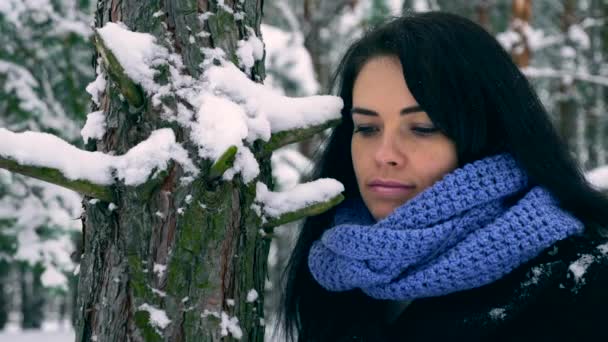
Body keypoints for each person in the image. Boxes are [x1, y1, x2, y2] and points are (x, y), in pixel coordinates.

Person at [278, 11, 608, 342]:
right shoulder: (340, 271)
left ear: (485, 133)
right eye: (367, 128)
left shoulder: (582, 279)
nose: (384, 154)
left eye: (422, 128)